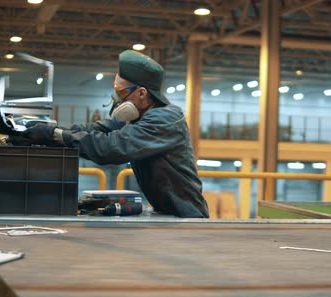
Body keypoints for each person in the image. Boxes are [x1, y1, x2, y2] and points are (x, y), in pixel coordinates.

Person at [20, 50, 209, 218]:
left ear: (142, 93)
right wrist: (48, 130)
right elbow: (95, 130)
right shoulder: (137, 116)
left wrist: (55, 135)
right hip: (168, 214)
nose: (116, 98)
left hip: (188, 217)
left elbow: (110, 147)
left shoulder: (164, 119)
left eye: (120, 91)